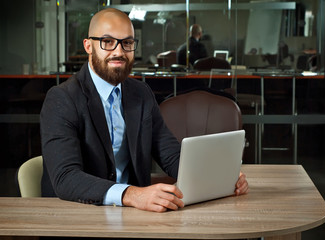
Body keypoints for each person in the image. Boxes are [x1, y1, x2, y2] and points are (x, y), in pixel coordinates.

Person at [40, 8, 248, 213]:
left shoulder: (140, 93)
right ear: (88, 46)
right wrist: (132, 194)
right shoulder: (62, 99)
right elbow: (66, 177)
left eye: (127, 43)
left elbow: (169, 154)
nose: (119, 52)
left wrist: (219, 178)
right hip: (76, 216)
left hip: (131, 216)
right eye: (108, 42)